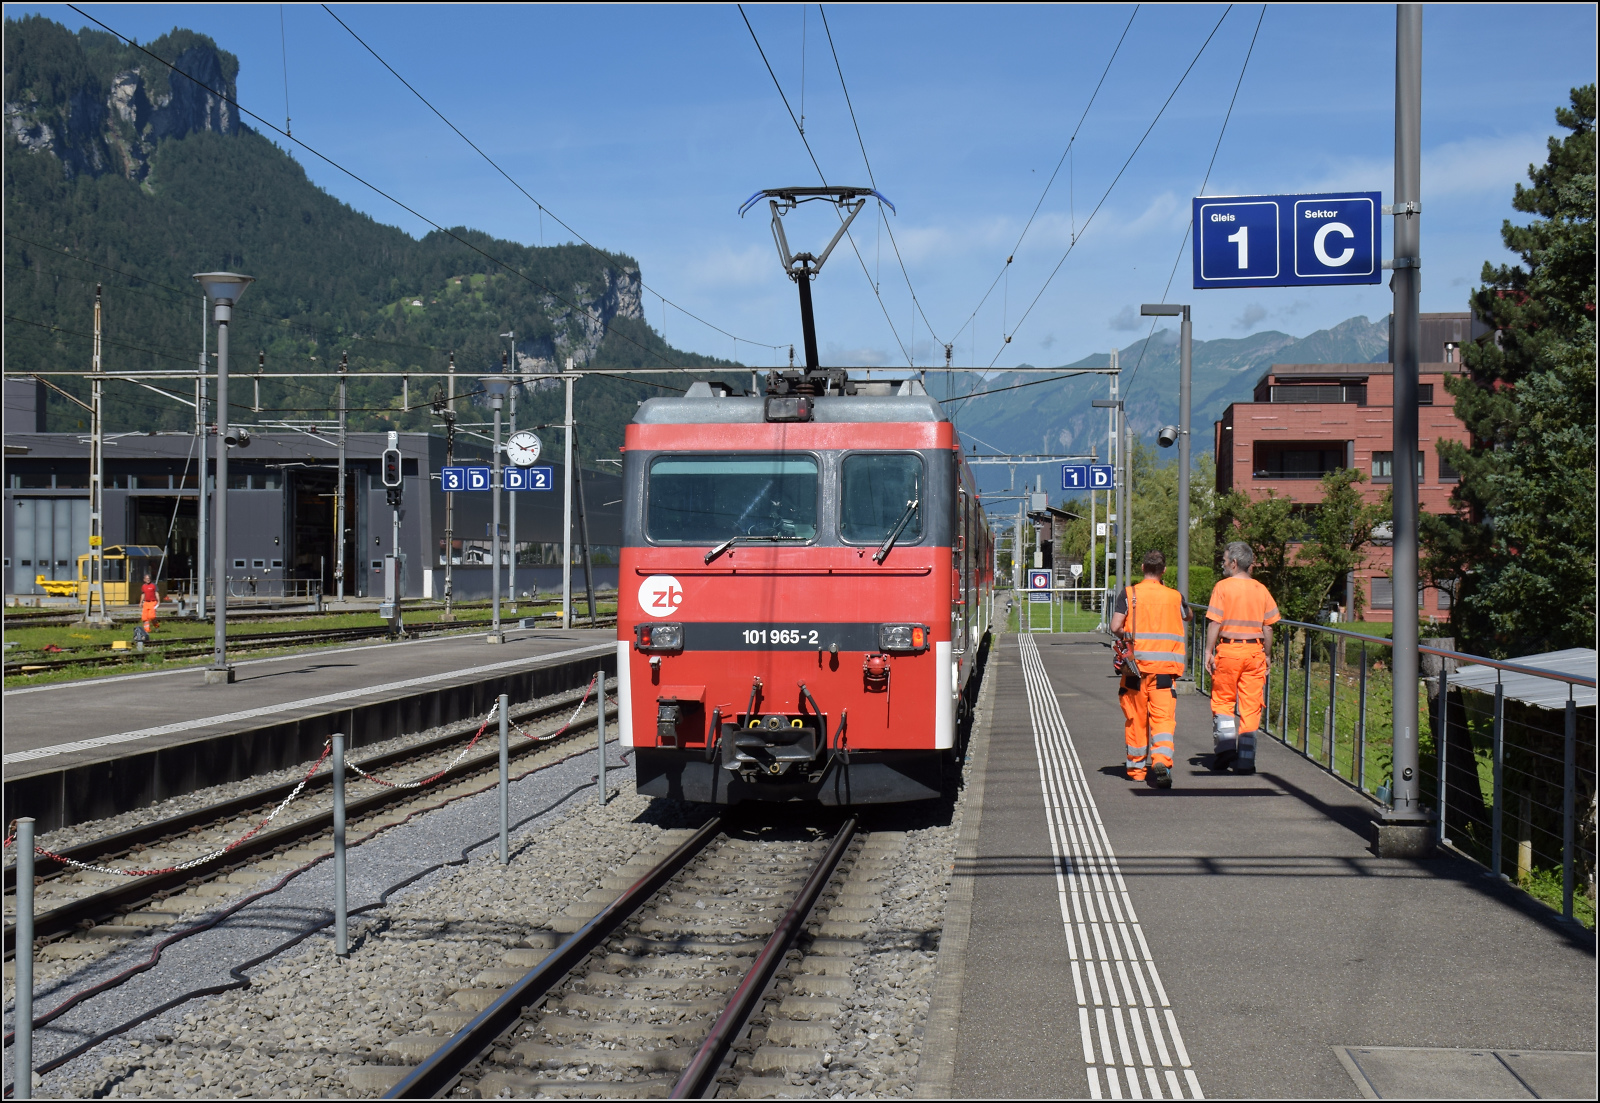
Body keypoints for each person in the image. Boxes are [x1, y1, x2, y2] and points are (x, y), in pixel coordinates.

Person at [1109, 550, 1189, 788]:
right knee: (1163, 720)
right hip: (1164, 671)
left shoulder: (1129, 594)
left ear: (1143, 568)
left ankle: (1136, 771)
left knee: (1136, 719)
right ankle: (1161, 760)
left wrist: (1131, 636)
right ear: (1164, 571)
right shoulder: (1175, 596)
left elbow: (1115, 626)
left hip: (1135, 670)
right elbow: (1188, 616)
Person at [1204, 541, 1279, 774]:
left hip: (1229, 650)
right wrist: (1267, 655)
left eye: (1225, 560)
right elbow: (1269, 627)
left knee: (1223, 701)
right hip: (1254, 652)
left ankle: (1226, 749)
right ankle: (1246, 761)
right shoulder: (1261, 589)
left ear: (1234, 563)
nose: (1223, 564)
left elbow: (1215, 623)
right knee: (1251, 707)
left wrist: (1208, 651)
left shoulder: (1222, 588)